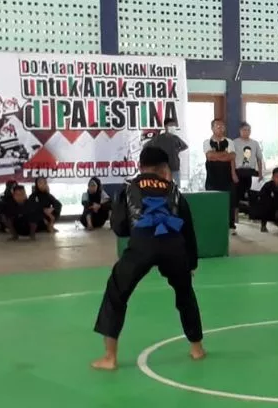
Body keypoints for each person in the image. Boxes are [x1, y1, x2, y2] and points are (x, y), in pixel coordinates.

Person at [92, 146, 204, 370]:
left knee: (116, 292)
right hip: (174, 246)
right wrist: (190, 263)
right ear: (164, 169)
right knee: (185, 294)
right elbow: (188, 230)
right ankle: (197, 349)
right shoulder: (174, 191)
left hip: (142, 245)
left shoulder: (127, 190)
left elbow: (119, 227)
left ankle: (110, 357)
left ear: (140, 167)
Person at [204, 119, 238, 234]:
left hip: (227, 175)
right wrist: (224, 154)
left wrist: (233, 173)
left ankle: (231, 225)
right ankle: (215, 224)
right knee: (213, 199)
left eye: (222, 126)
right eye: (218, 126)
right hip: (212, 176)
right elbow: (209, 156)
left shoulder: (229, 141)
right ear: (212, 128)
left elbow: (232, 157)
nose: (221, 128)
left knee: (230, 200)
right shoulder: (207, 142)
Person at [232, 122, 263, 212]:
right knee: (237, 195)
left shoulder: (255, 143)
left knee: (253, 195)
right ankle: (236, 215)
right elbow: (232, 159)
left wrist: (260, 173)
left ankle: (252, 214)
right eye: (244, 130)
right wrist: (233, 173)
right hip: (239, 171)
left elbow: (259, 159)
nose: (247, 132)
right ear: (240, 131)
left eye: (248, 130)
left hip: (251, 171)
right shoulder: (234, 142)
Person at [147, 118, 188, 184]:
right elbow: (147, 146)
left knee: (176, 187)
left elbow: (185, 146)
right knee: (162, 186)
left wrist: (177, 150)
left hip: (175, 168)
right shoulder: (158, 138)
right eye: (171, 125)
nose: (173, 127)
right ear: (165, 126)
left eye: (174, 125)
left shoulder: (175, 138)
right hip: (162, 168)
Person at [252, 167, 278, 232]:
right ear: (273, 177)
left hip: (277, 204)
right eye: (277, 177)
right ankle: (263, 225)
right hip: (265, 204)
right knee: (266, 206)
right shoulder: (268, 185)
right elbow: (262, 197)